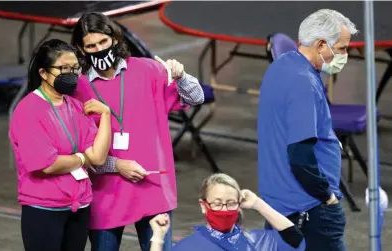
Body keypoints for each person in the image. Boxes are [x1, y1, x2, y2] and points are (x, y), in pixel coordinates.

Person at [70, 12, 204, 251]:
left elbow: (196, 97)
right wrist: (117, 165)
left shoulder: (148, 70)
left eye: (103, 42)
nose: (99, 49)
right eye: (91, 46)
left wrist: (182, 76)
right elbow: (80, 151)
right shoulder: (79, 89)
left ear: (114, 39)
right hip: (106, 194)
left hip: (151, 188)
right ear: (81, 49)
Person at [257, 9, 358, 251]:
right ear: (322, 44)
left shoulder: (280, 67)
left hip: (279, 205)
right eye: (342, 48)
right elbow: (300, 156)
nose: (344, 55)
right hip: (308, 209)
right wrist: (327, 197)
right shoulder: (303, 82)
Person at [9, 39, 112, 251]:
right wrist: (83, 158)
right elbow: (46, 164)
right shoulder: (29, 110)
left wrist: (106, 115)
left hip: (79, 206)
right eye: (64, 69)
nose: (72, 74)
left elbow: (99, 157)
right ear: (44, 73)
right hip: (44, 209)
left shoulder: (74, 106)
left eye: (75, 68)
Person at [148, 173, 305, 251]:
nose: (224, 210)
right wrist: (157, 238)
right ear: (204, 205)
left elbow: (295, 239)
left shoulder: (254, 241)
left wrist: (258, 204)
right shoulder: (189, 247)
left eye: (230, 203)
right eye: (217, 204)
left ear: (239, 205)